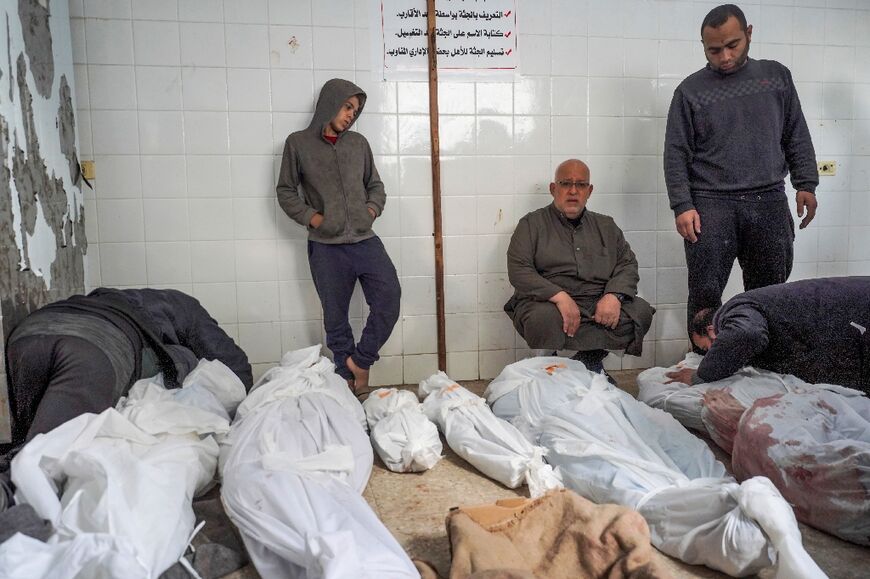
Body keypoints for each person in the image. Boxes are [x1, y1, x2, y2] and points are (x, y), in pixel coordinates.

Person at [664, 4, 819, 347]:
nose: (724, 56)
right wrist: (682, 204)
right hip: (710, 204)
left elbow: (795, 132)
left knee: (770, 292)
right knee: (705, 294)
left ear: (749, 33)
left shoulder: (776, 77)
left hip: (768, 200)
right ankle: (705, 367)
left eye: (732, 45)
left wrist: (805, 183)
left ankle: (766, 363)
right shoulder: (690, 91)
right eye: (713, 50)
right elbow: (675, 153)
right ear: (703, 46)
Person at [3, 287, 253, 449]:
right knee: (43, 462)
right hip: (97, 347)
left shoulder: (117, 300)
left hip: (26, 335)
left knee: (29, 447)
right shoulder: (188, 309)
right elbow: (236, 369)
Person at [276, 78, 400, 396]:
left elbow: (376, 185)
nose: (350, 115)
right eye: (347, 107)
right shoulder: (298, 144)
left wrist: (369, 211)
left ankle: (361, 362)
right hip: (325, 245)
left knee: (388, 298)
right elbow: (286, 191)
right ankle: (347, 384)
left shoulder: (358, 144)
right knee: (336, 319)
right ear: (330, 103)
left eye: (355, 110)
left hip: (364, 239)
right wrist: (314, 218)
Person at [504, 159, 655, 375]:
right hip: (549, 303)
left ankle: (590, 359)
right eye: (566, 184)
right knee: (542, 319)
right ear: (553, 189)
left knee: (639, 312)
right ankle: (557, 367)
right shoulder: (531, 224)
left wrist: (613, 296)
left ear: (589, 190)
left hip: (596, 301)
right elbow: (519, 270)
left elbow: (627, 264)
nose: (573, 191)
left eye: (581, 185)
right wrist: (560, 297)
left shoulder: (607, 226)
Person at [666, 277, 870, 393]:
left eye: (705, 348)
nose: (708, 354)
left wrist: (701, 376)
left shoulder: (735, 309)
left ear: (712, 330)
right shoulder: (751, 306)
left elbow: (747, 334)